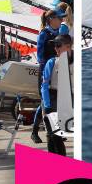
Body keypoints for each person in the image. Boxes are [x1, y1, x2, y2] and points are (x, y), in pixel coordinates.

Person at [33, 10, 65, 143]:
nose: (62, 21)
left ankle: (55, 130)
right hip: (46, 71)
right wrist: (49, 67)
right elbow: (40, 57)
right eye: (59, 18)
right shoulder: (44, 34)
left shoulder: (59, 33)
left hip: (57, 71)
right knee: (44, 102)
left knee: (55, 101)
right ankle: (36, 132)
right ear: (51, 19)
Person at [41, 35, 73, 155]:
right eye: (55, 45)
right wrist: (47, 105)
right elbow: (44, 85)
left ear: (68, 46)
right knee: (53, 134)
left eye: (58, 45)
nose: (56, 48)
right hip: (52, 99)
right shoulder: (52, 62)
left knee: (56, 135)